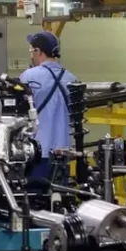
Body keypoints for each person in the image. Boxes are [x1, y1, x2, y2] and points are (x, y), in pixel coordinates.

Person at [19, 31, 78, 179]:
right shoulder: (71, 79)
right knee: (60, 192)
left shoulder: (29, 77)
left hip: (37, 153)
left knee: (35, 192)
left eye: (31, 50)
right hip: (63, 153)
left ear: (38, 51)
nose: (31, 55)